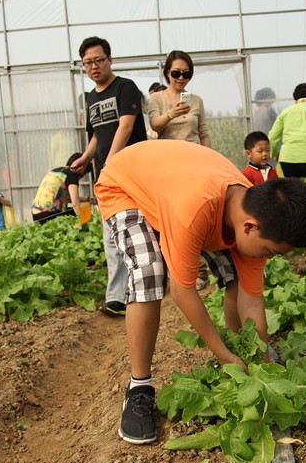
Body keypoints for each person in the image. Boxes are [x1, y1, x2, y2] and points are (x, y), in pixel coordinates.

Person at [94, 140, 306, 444]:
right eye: (270, 251)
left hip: (171, 184)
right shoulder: (194, 210)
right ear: (250, 227)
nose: (269, 257)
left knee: (238, 273)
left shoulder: (252, 209)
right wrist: (221, 354)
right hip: (125, 185)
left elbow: (251, 299)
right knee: (150, 273)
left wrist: (261, 356)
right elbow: (183, 290)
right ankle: (139, 388)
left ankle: (240, 351)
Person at [70, 37, 147, 317]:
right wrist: (86, 158)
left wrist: (111, 161)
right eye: (87, 62)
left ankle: (139, 289)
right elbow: (96, 135)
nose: (94, 66)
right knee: (111, 234)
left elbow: (125, 127)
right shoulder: (91, 97)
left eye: (98, 60)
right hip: (107, 176)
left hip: (129, 170)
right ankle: (117, 296)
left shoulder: (125, 88)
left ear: (109, 59)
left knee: (135, 230)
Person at [149, 50, 211, 290]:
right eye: (176, 73)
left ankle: (200, 271)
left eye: (186, 74)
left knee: (195, 217)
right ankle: (172, 273)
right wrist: (171, 113)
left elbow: (203, 132)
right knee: (168, 220)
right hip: (168, 166)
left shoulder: (196, 100)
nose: (181, 78)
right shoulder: (157, 99)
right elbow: (154, 125)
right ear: (167, 73)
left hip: (194, 164)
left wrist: (210, 159)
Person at [268, 83, 306, 178]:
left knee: (291, 191)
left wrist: (274, 153)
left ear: (295, 99)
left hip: (288, 159)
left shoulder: (285, 112)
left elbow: (272, 137)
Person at [31, 153, 91, 223]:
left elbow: (66, 198)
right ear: (81, 167)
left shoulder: (58, 171)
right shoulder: (72, 175)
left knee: (71, 211)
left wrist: (87, 199)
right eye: (85, 172)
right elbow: (75, 203)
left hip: (36, 214)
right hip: (48, 214)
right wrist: (83, 221)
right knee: (82, 212)